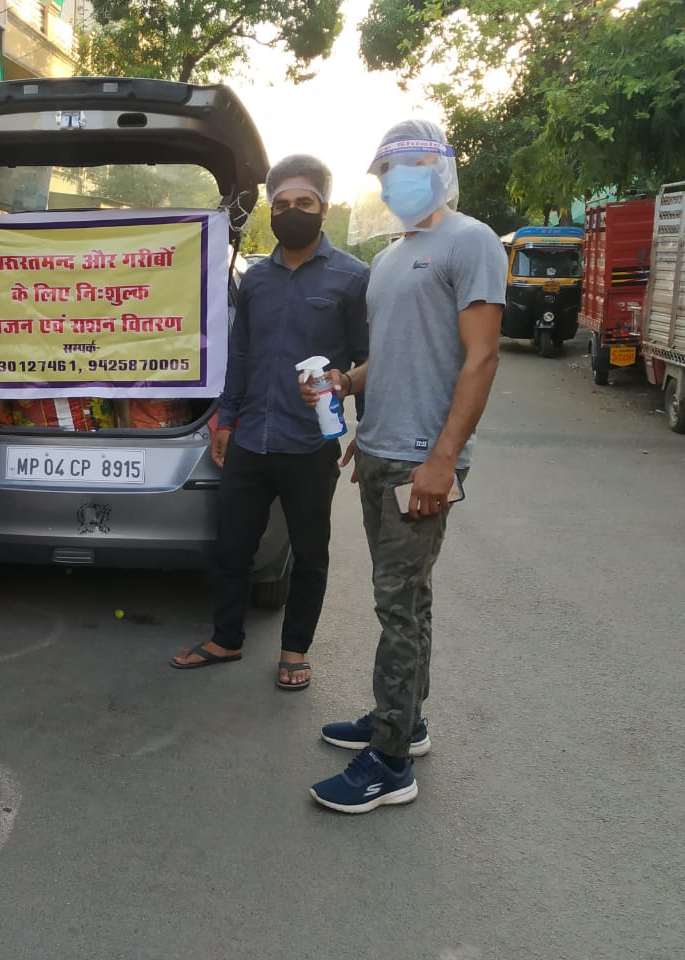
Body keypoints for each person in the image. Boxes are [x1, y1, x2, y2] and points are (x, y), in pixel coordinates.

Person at [308, 119, 505, 813]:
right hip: (383, 451)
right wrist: (348, 389)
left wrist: (443, 461)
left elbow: (481, 357)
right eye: (388, 170)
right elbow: (389, 360)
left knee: (396, 606)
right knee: (409, 600)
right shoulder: (393, 257)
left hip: (424, 463)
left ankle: (389, 763)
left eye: (413, 164)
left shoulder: (470, 241)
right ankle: (404, 720)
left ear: (443, 167)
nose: (399, 179)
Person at [170, 155, 369, 688]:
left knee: (309, 552)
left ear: (323, 209)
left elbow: (371, 361)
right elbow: (240, 356)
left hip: (310, 443)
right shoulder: (256, 280)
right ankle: (226, 638)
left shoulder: (353, 278)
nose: (290, 212)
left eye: (302, 203)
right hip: (250, 438)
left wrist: (362, 427)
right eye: (280, 204)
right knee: (232, 545)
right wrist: (226, 420)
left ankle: (295, 651)